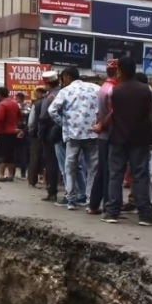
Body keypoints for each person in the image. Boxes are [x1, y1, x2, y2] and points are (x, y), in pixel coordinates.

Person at [98, 56, 152, 226]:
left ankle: (112, 212)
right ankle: (144, 215)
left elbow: (110, 114)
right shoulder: (146, 90)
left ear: (120, 70)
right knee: (140, 175)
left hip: (118, 138)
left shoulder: (115, 91)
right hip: (140, 138)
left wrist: (102, 125)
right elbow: (151, 115)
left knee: (115, 175)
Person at [48, 67, 99, 210]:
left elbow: (52, 110)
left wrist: (64, 123)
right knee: (92, 168)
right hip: (91, 133)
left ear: (68, 77)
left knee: (70, 167)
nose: (62, 81)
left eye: (62, 78)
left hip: (73, 134)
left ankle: (71, 199)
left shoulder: (65, 91)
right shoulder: (95, 88)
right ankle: (90, 199)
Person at [88, 59, 119, 215]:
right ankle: (108, 205)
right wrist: (102, 125)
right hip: (109, 134)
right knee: (109, 171)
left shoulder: (103, 88)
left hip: (103, 136)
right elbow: (113, 113)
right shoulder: (112, 90)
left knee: (102, 170)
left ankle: (94, 204)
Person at [39, 71, 62, 201]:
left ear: (47, 83)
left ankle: (52, 191)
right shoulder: (62, 92)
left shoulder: (51, 96)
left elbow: (43, 117)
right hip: (61, 131)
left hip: (51, 133)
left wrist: (40, 133)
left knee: (51, 163)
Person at [0, 87, 22, 182]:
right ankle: (11, 175)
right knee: (10, 154)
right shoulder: (15, 103)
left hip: (3, 132)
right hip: (13, 132)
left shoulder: (1, 105)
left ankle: (1, 175)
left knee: (2, 154)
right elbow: (19, 116)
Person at [27, 87, 46, 187]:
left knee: (34, 157)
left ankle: (32, 180)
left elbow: (31, 121)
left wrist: (30, 130)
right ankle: (47, 180)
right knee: (47, 157)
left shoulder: (36, 104)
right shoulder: (50, 101)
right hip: (48, 133)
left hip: (36, 133)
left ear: (39, 93)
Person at [14, 92, 30, 179]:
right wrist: (24, 131)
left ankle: (12, 173)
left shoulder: (15, 107)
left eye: (16, 98)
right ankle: (23, 173)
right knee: (23, 152)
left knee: (14, 152)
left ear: (19, 98)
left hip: (15, 130)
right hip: (24, 131)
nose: (15, 100)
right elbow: (29, 122)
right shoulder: (28, 108)